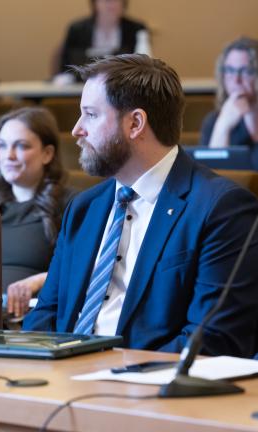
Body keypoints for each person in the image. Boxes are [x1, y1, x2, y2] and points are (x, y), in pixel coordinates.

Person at [24, 54, 258, 357]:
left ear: (135, 123)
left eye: (91, 115)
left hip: (145, 388)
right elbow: (46, 313)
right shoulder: (84, 207)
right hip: (62, 380)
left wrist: (110, 372)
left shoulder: (221, 208)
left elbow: (213, 339)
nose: (77, 130)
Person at [0, 107, 70, 318]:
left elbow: (83, 267)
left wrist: (37, 281)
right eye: (2, 146)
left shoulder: (73, 204)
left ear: (47, 154)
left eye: (21, 146)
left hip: (36, 316)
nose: (8, 156)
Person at [53, 0, 151, 85]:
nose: (112, 4)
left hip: (122, 85)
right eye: (106, 0)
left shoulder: (136, 28)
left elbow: (142, 63)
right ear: (95, 3)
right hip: (82, 84)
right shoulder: (77, 29)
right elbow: (65, 64)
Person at [200, 37, 258, 168]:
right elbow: (211, 175)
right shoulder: (213, 120)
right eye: (230, 70)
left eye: (246, 71)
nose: (236, 79)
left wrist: (251, 120)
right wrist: (223, 126)